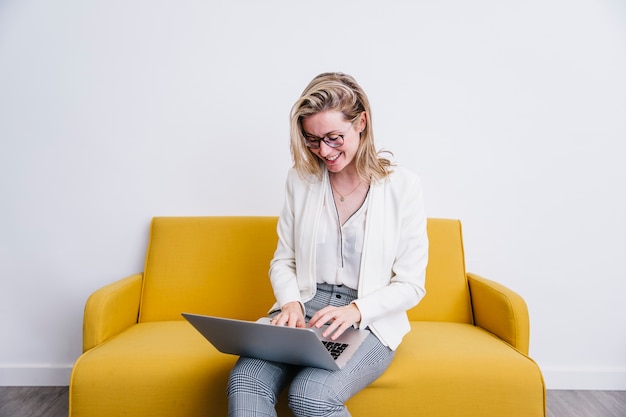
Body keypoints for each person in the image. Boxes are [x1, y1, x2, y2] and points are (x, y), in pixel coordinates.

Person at [227, 72, 429, 417]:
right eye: (312, 140)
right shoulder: (300, 181)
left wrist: (356, 311)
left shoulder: (403, 187)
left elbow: (411, 285)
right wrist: (289, 302)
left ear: (361, 122)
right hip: (303, 309)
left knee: (311, 395)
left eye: (334, 137)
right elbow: (283, 261)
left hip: (367, 316)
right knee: (245, 380)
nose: (324, 151)